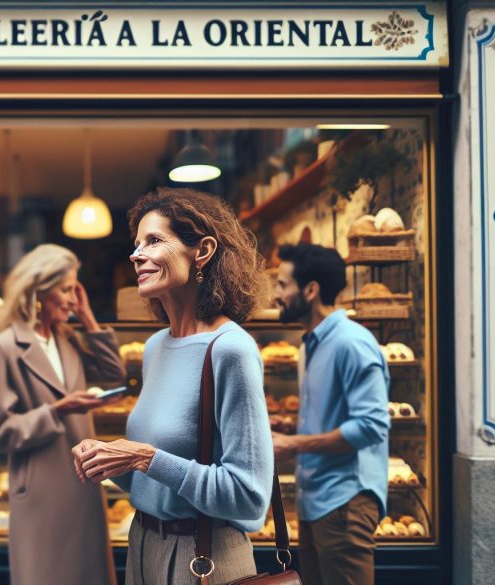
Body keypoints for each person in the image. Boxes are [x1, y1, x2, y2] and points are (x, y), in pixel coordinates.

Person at [72, 188, 274, 585]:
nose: (136, 254)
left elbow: (249, 498)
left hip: (203, 559)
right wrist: (110, 459)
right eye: (136, 244)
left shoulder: (230, 349)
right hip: (142, 547)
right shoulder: (155, 347)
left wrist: (146, 457)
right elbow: (159, 483)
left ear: (202, 251)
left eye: (154, 240)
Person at [0, 243, 125, 585]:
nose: (73, 299)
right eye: (65, 290)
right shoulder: (6, 346)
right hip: (41, 492)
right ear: (38, 292)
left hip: (83, 483)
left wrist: (88, 318)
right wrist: (59, 410)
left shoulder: (68, 337)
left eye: (75, 290)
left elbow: (113, 373)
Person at [270, 243, 390, 585]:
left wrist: (295, 443)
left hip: (345, 502)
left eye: (282, 285)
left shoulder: (351, 343)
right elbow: (335, 417)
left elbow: (370, 426)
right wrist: (292, 424)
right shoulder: (310, 345)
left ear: (310, 290)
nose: (276, 294)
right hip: (317, 501)